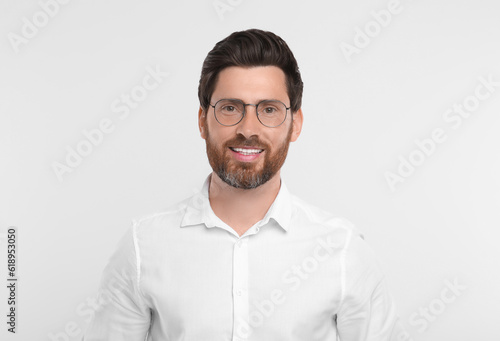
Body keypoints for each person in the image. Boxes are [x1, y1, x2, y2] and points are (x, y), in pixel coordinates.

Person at [83, 28, 404, 341]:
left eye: (269, 109)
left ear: (296, 124)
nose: (248, 128)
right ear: (202, 121)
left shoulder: (343, 250)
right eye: (230, 108)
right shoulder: (144, 247)